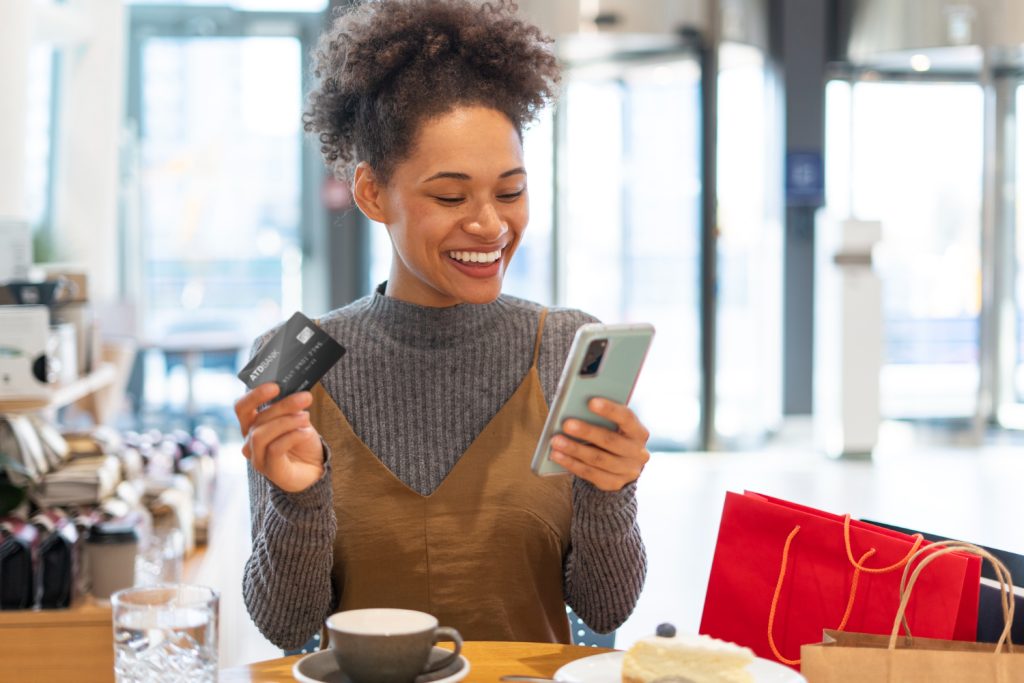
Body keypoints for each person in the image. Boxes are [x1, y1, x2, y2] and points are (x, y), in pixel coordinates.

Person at [235, 0, 650, 651]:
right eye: (451, 196)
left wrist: (610, 491)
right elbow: (284, 624)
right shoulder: (292, 356)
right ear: (372, 193)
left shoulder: (567, 348)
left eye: (509, 191)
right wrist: (297, 500)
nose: (489, 224)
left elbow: (603, 605)